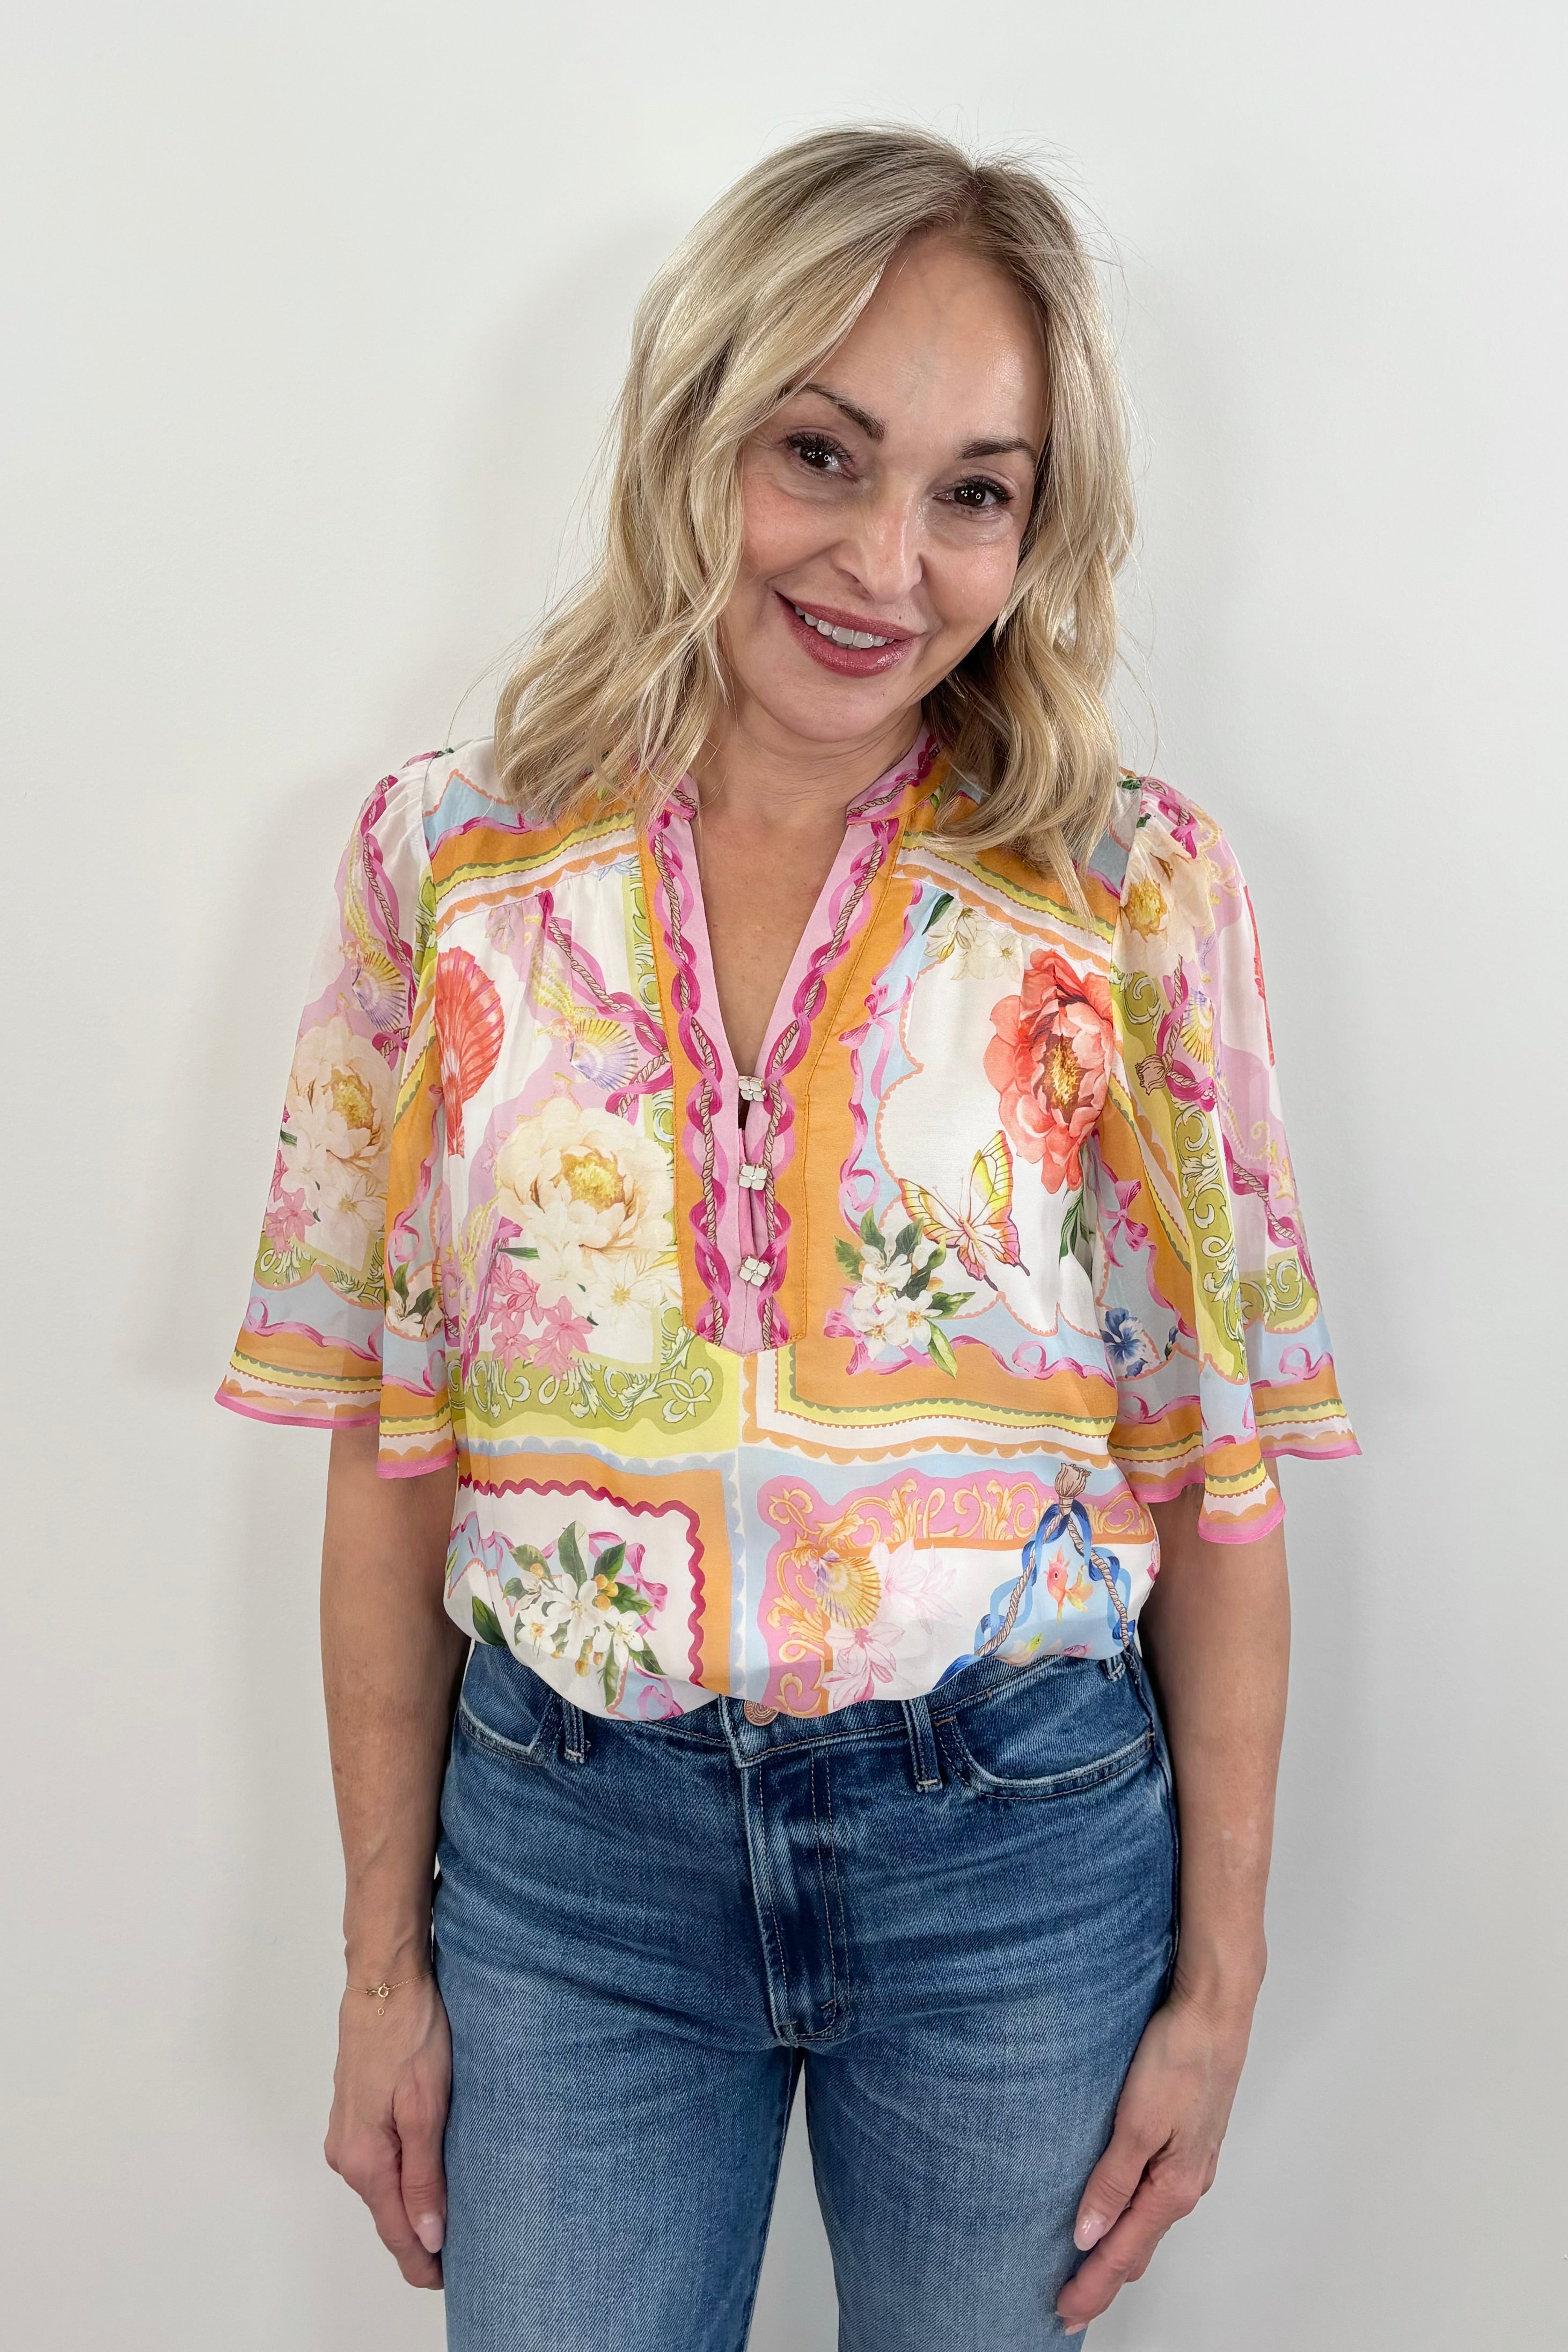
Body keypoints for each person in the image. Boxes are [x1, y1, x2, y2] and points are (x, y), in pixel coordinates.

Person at [218, 124, 1357, 2350]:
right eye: (818, 454)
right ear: (692, 438)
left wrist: (1219, 1984)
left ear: (1039, 530)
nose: (883, 559)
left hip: (1013, 1850)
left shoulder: (1124, 896)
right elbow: (390, 1441)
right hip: (567, 1867)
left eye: (973, 490)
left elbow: (1207, 1485)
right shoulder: (447, 868)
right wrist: (377, 1966)